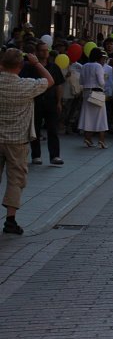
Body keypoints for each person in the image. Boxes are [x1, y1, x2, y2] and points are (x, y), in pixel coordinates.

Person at [0, 49, 53, 234]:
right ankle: (10, 220)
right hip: (17, 140)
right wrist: (37, 63)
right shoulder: (26, 85)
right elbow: (50, 81)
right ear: (20, 66)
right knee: (15, 180)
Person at [22, 41, 65, 166]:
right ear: (36, 52)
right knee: (35, 128)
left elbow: (58, 85)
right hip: (35, 100)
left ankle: (55, 155)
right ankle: (36, 155)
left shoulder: (54, 67)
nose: (45, 52)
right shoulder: (29, 67)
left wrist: (59, 102)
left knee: (53, 128)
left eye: (46, 50)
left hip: (50, 101)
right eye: (42, 50)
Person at [78, 48, 109, 148]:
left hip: (86, 92)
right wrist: (104, 79)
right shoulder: (98, 66)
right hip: (97, 92)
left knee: (87, 116)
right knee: (101, 116)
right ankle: (101, 140)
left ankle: (87, 138)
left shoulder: (84, 66)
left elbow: (81, 81)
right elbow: (101, 82)